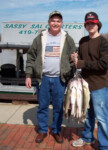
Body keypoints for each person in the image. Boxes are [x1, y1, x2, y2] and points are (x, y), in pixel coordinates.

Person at [25, 10, 76, 143]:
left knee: (58, 107)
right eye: (53, 21)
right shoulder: (40, 38)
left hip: (60, 79)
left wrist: (71, 74)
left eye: (58, 21)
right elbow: (31, 56)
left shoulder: (67, 38)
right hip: (44, 79)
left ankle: (56, 130)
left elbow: (73, 57)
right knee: (43, 106)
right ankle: (42, 130)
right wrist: (29, 75)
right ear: (48, 22)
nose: (55, 23)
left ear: (61, 23)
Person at [71, 12, 108, 150]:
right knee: (87, 115)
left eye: (93, 23)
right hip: (85, 85)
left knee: (101, 119)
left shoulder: (104, 43)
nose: (90, 25)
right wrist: (75, 58)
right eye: (88, 23)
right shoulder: (83, 41)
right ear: (85, 25)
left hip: (100, 85)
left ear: (98, 24)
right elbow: (80, 60)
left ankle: (105, 145)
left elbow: (103, 64)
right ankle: (87, 137)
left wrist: (82, 63)